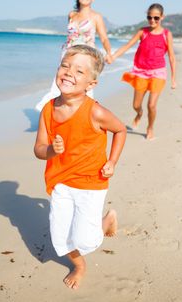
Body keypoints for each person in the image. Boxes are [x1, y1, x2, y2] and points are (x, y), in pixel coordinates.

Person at [34, 45, 126, 289]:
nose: (68, 72)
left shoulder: (95, 111)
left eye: (79, 70)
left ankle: (106, 221)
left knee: (86, 238)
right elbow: (39, 149)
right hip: (61, 182)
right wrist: (53, 151)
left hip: (91, 182)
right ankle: (79, 265)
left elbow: (120, 130)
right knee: (60, 237)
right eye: (65, 66)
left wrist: (112, 162)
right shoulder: (48, 109)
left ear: (91, 84)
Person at [35, 0, 112, 111]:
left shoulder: (96, 16)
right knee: (61, 84)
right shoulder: (72, 15)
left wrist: (109, 53)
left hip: (85, 57)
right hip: (68, 54)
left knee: (81, 86)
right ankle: (56, 116)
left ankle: (81, 115)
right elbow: (71, 36)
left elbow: (103, 37)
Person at [110, 3, 176, 140]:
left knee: (151, 105)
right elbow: (128, 46)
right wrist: (114, 56)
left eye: (156, 18)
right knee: (136, 105)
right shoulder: (143, 32)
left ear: (162, 17)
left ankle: (150, 127)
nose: (152, 20)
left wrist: (174, 79)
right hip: (141, 72)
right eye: (149, 17)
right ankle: (139, 114)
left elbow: (171, 56)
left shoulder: (166, 34)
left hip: (158, 73)